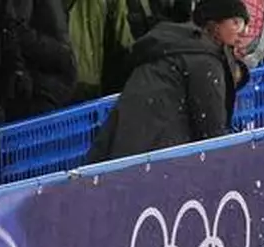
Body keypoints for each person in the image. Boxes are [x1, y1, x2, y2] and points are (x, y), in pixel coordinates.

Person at [86, 0, 249, 163]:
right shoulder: (204, 61)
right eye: (235, 22)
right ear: (214, 24)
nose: (243, 31)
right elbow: (212, 132)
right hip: (155, 157)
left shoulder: (176, 44)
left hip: (119, 150)